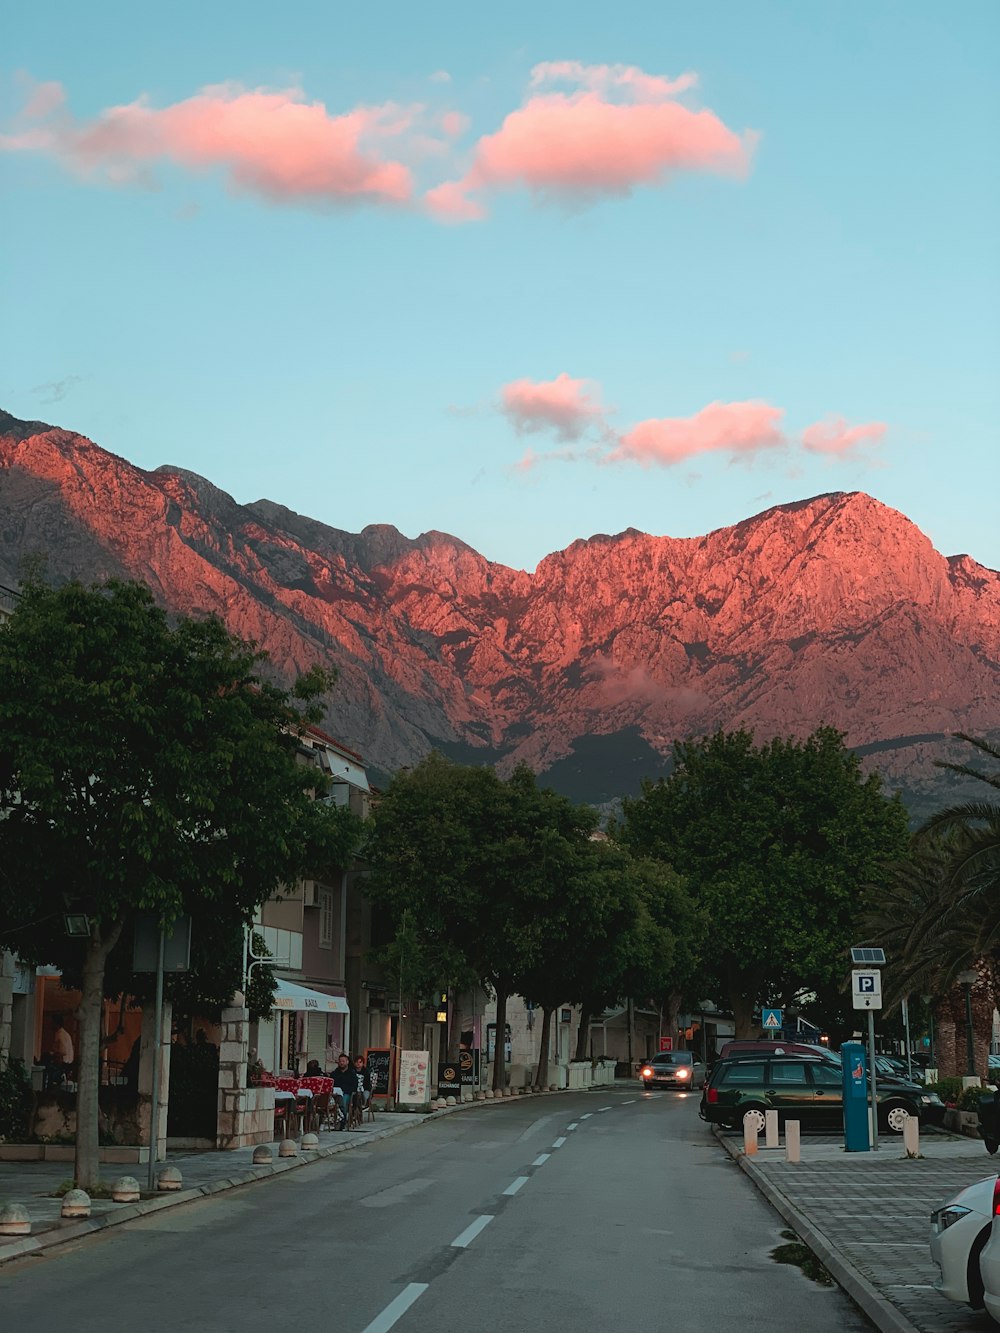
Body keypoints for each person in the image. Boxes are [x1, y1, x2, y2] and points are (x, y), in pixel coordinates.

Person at [331, 1052, 358, 1129]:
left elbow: (354, 1086)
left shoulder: (352, 1073)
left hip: (347, 1093)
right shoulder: (335, 1073)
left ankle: (343, 1121)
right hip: (335, 1093)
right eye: (340, 1061)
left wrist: (348, 1091)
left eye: (343, 1061)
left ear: (347, 1062)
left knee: (344, 1100)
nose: (341, 1063)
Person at [47, 1013, 74, 1087]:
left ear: (56, 1023)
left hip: (62, 1065)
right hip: (66, 1064)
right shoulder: (65, 1034)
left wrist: (52, 1054)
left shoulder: (60, 1035)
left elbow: (63, 1051)